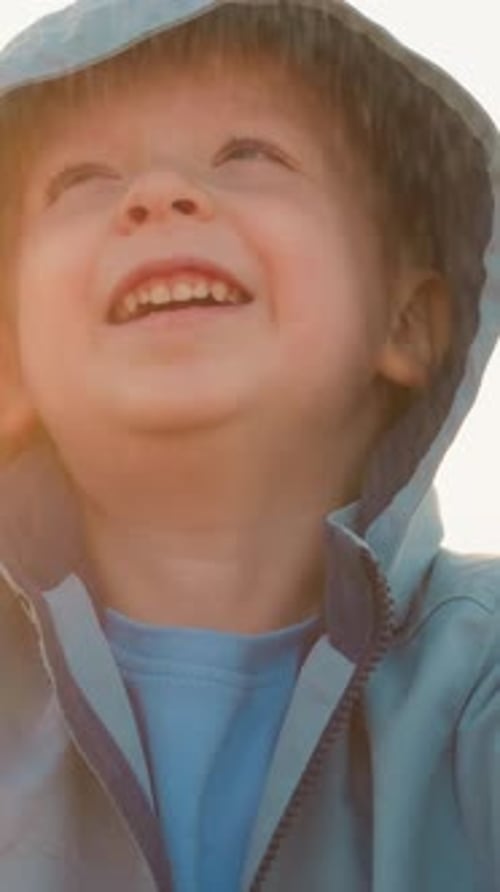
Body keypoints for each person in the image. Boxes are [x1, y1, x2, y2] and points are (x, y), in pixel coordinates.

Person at [0, 0, 498, 889]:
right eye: (80, 178)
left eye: (248, 155)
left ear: (410, 322)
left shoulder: (480, 688)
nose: (156, 194)